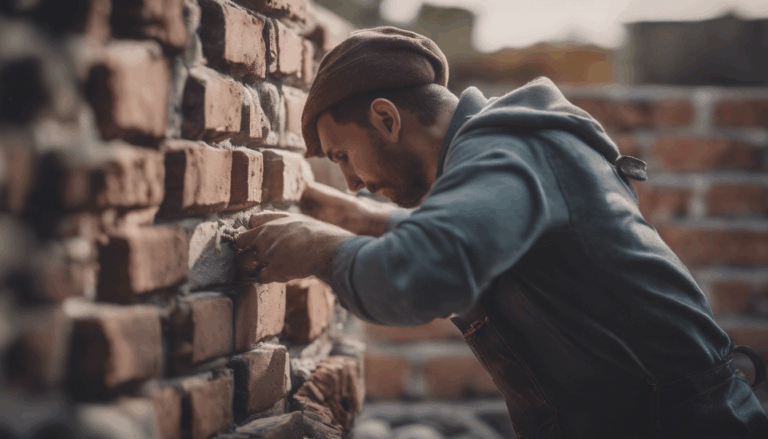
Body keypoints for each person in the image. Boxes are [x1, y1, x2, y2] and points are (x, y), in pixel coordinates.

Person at [235, 27, 767, 438]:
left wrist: (315, 247)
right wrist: (358, 220)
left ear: (386, 119)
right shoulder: (503, 152)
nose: (351, 183)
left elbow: (416, 276)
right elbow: (476, 237)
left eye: (343, 157)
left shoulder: (505, 153)